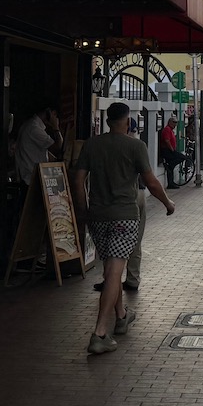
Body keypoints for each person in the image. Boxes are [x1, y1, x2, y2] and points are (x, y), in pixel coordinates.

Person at [72, 101, 173, 355]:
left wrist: (83, 210)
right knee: (115, 273)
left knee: (110, 270)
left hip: (97, 216)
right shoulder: (136, 146)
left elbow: (78, 179)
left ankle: (121, 316)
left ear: (108, 121)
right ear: (128, 122)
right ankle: (99, 334)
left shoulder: (91, 145)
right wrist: (168, 203)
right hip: (124, 217)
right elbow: (150, 182)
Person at [15, 103, 61, 186]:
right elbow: (57, 147)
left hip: (31, 177)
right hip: (31, 180)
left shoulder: (30, 125)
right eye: (54, 115)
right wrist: (56, 127)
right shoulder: (34, 128)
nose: (55, 118)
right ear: (48, 112)